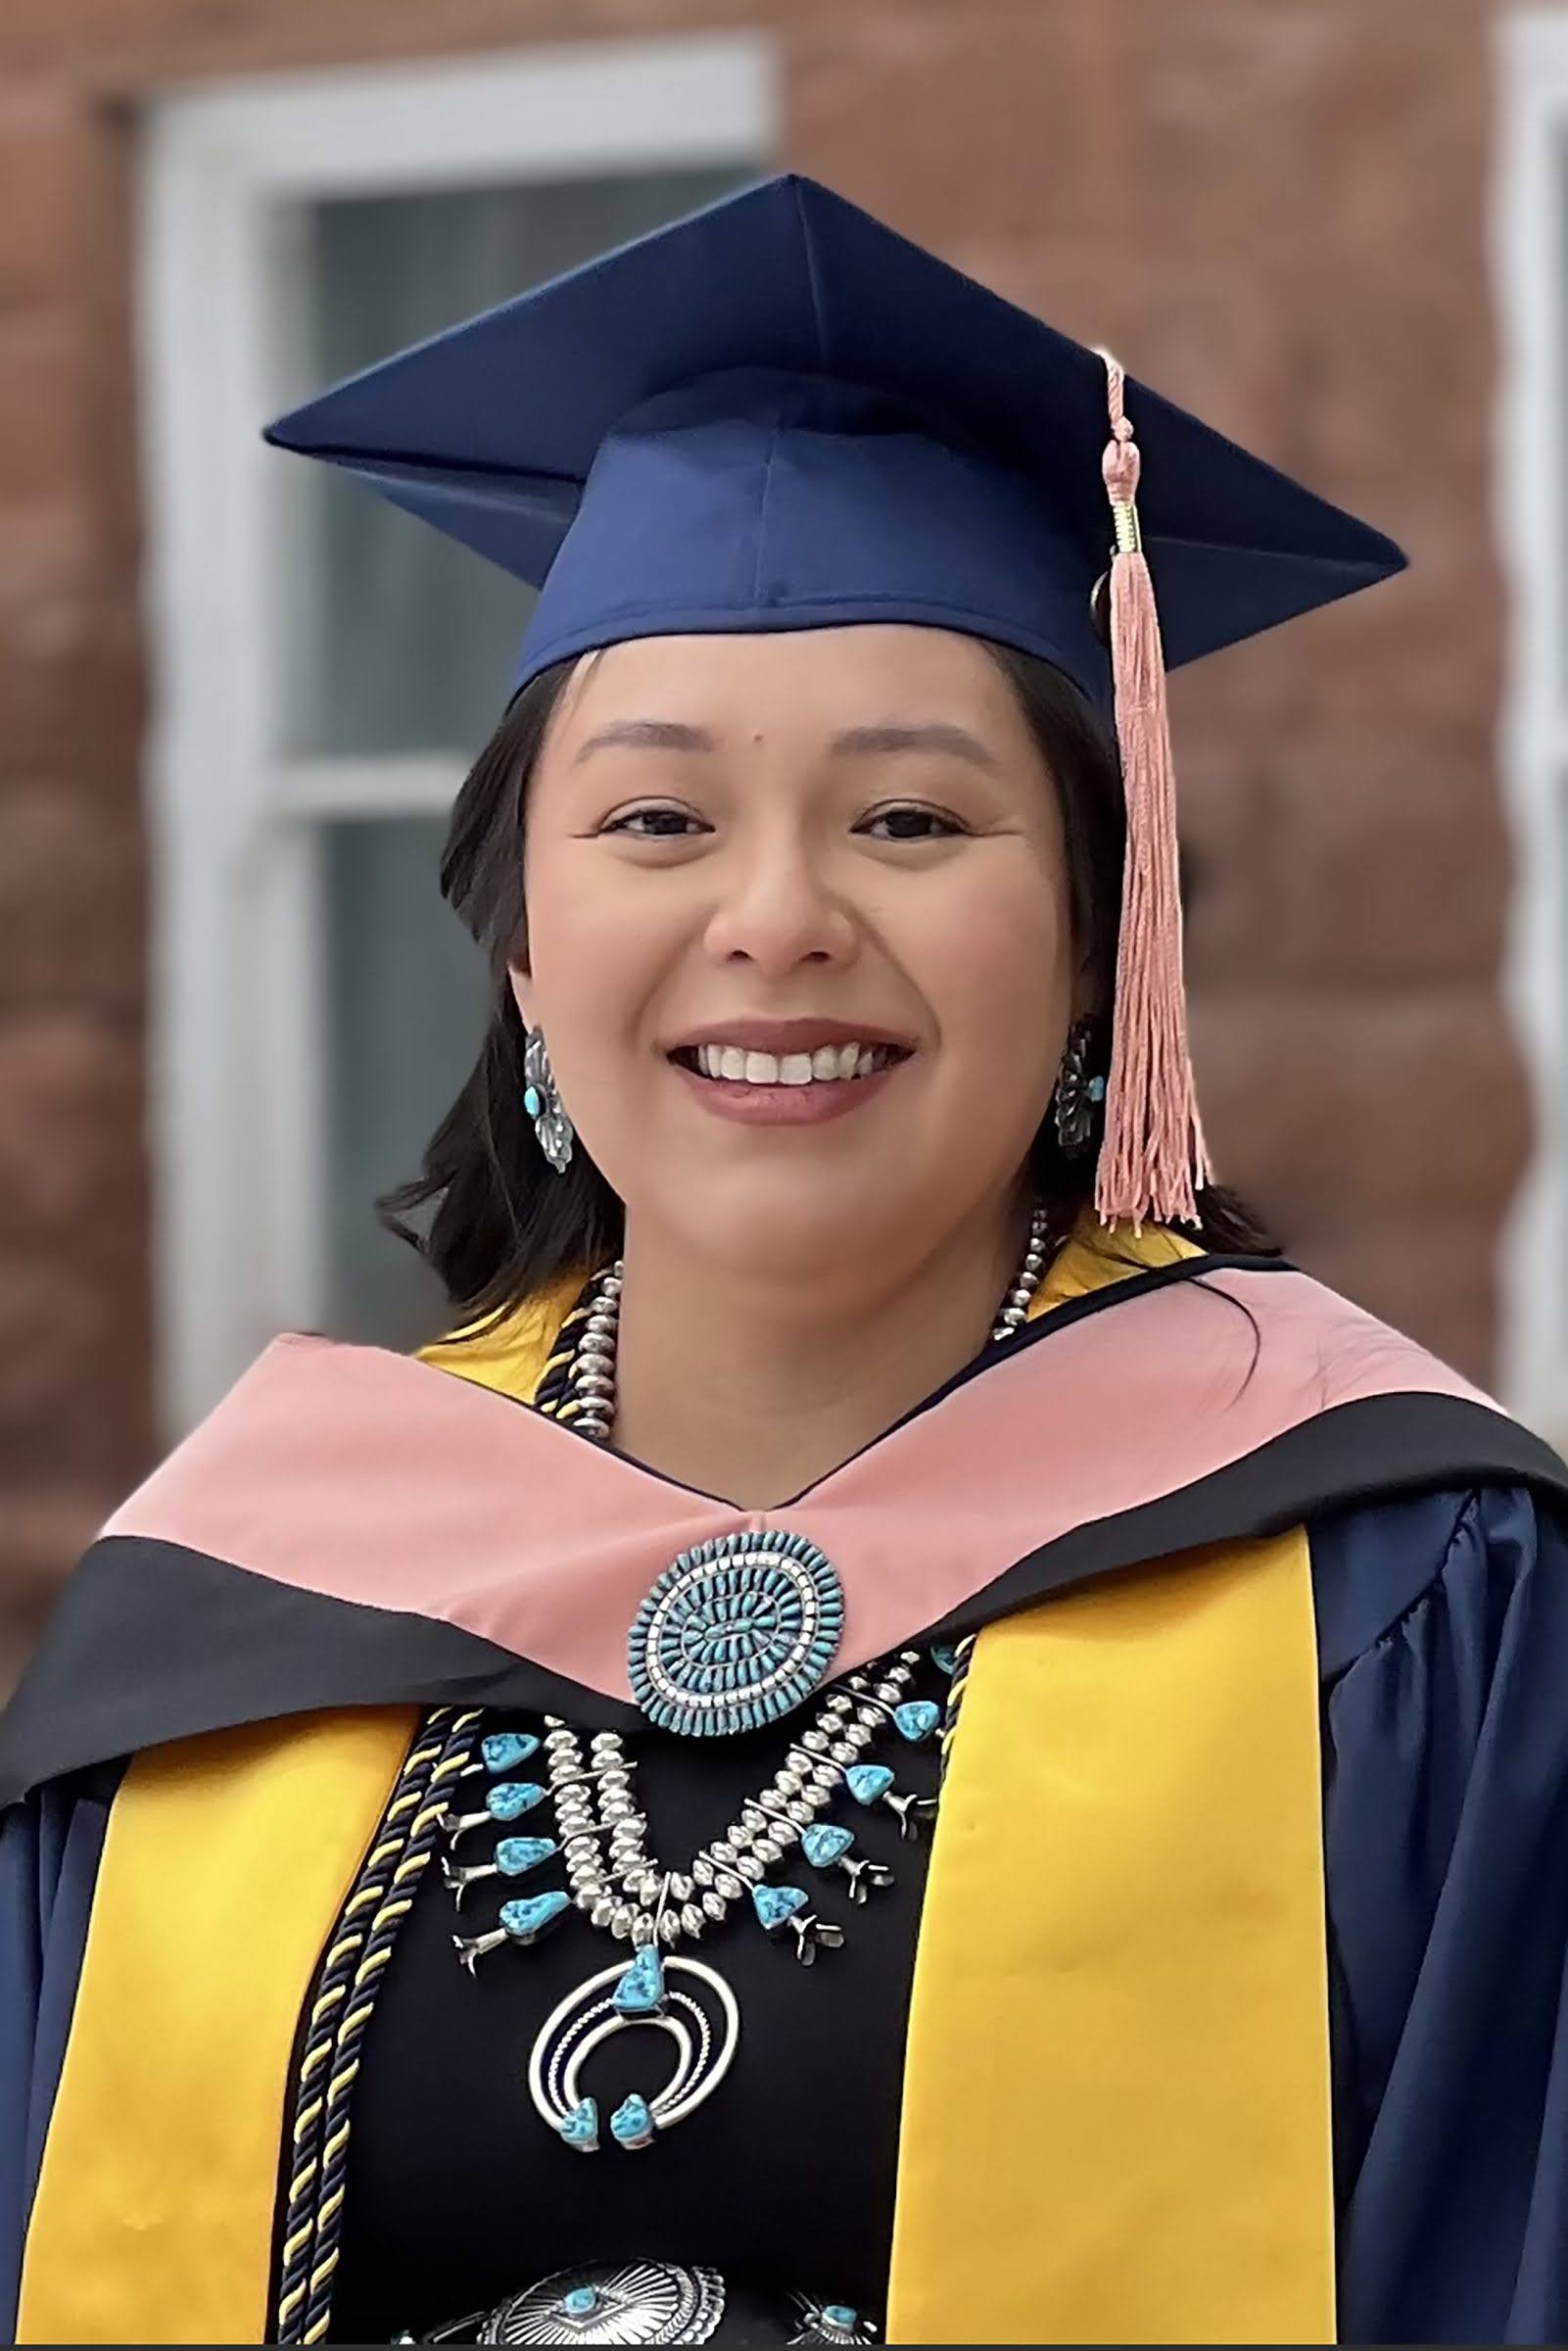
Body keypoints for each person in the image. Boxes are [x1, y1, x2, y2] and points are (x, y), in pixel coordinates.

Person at [3, 171, 1566, 2349]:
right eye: (655, 822)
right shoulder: (244, 1608)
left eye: (912, 820)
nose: (777, 919)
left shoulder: (1403, 1595)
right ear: (527, 956)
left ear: (1106, 943)